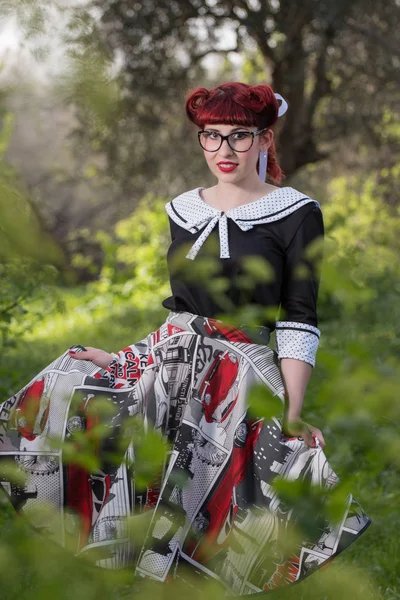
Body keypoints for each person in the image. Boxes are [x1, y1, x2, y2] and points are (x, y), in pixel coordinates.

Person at [0, 82, 370, 594]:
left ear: (265, 140)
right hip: (167, 357)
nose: (224, 150)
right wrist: (125, 362)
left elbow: (298, 318)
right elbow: (182, 310)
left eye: (240, 136)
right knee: (74, 398)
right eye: (211, 136)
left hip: (237, 369)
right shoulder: (182, 209)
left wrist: (291, 411)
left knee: (215, 511)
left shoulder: (297, 212)